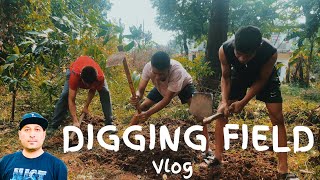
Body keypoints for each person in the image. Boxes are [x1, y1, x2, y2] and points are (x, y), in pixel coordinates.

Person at [214, 25, 298, 179]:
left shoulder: (270, 52)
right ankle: (217, 158)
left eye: (246, 56)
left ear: (257, 48)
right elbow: (225, 77)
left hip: (264, 78)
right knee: (221, 113)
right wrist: (224, 101)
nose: (241, 59)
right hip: (239, 76)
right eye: (238, 54)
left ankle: (283, 170)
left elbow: (261, 79)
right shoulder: (224, 50)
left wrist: (243, 102)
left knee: (278, 118)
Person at [130, 51, 211, 153]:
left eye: (161, 74)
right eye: (155, 73)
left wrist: (148, 114)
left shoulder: (178, 71)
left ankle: (207, 148)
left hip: (184, 86)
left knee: (200, 113)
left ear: (169, 68)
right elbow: (141, 90)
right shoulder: (148, 67)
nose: (157, 77)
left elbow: (167, 99)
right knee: (143, 107)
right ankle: (125, 137)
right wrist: (137, 96)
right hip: (162, 88)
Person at [49, 55, 114, 132]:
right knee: (65, 95)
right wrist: (75, 120)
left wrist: (86, 107)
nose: (88, 87)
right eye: (86, 84)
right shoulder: (75, 76)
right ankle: (54, 125)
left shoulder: (99, 77)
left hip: (94, 74)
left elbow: (92, 90)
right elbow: (71, 99)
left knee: (105, 92)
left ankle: (109, 123)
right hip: (73, 70)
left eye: (90, 85)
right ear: (81, 79)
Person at [0, 112, 68, 180]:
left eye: (37, 130)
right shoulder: (5, 162)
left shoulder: (57, 166)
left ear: (44, 134)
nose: (32, 135)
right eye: (27, 130)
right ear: (20, 134)